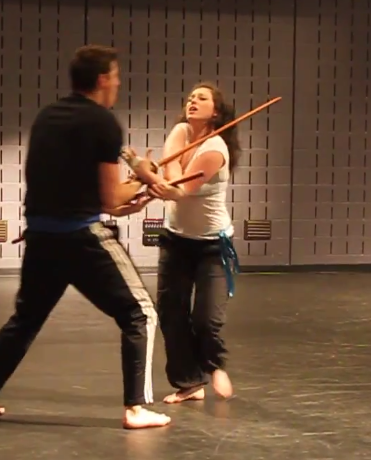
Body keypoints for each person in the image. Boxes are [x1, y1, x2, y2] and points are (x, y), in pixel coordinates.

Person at [0, 44, 172, 430]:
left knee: (25, 320)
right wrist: (142, 187)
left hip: (41, 239)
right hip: (82, 240)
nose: (119, 83)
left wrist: (138, 181)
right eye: (116, 77)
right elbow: (111, 201)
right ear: (103, 79)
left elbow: (82, 183)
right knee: (140, 313)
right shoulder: (103, 123)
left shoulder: (48, 116)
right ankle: (137, 408)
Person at [148, 82, 241, 404]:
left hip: (212, 246)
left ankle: (214, 365)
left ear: (216, 112)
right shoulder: (180, 132)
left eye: (201, 98)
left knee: (205, 318)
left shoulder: (215, 149)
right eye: (190, 97)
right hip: (176, 240)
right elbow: (171, 179)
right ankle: (189, 383)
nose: (193, 101)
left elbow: (179, 188)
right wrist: (165, 178)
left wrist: (163, 178)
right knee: (171, 313)